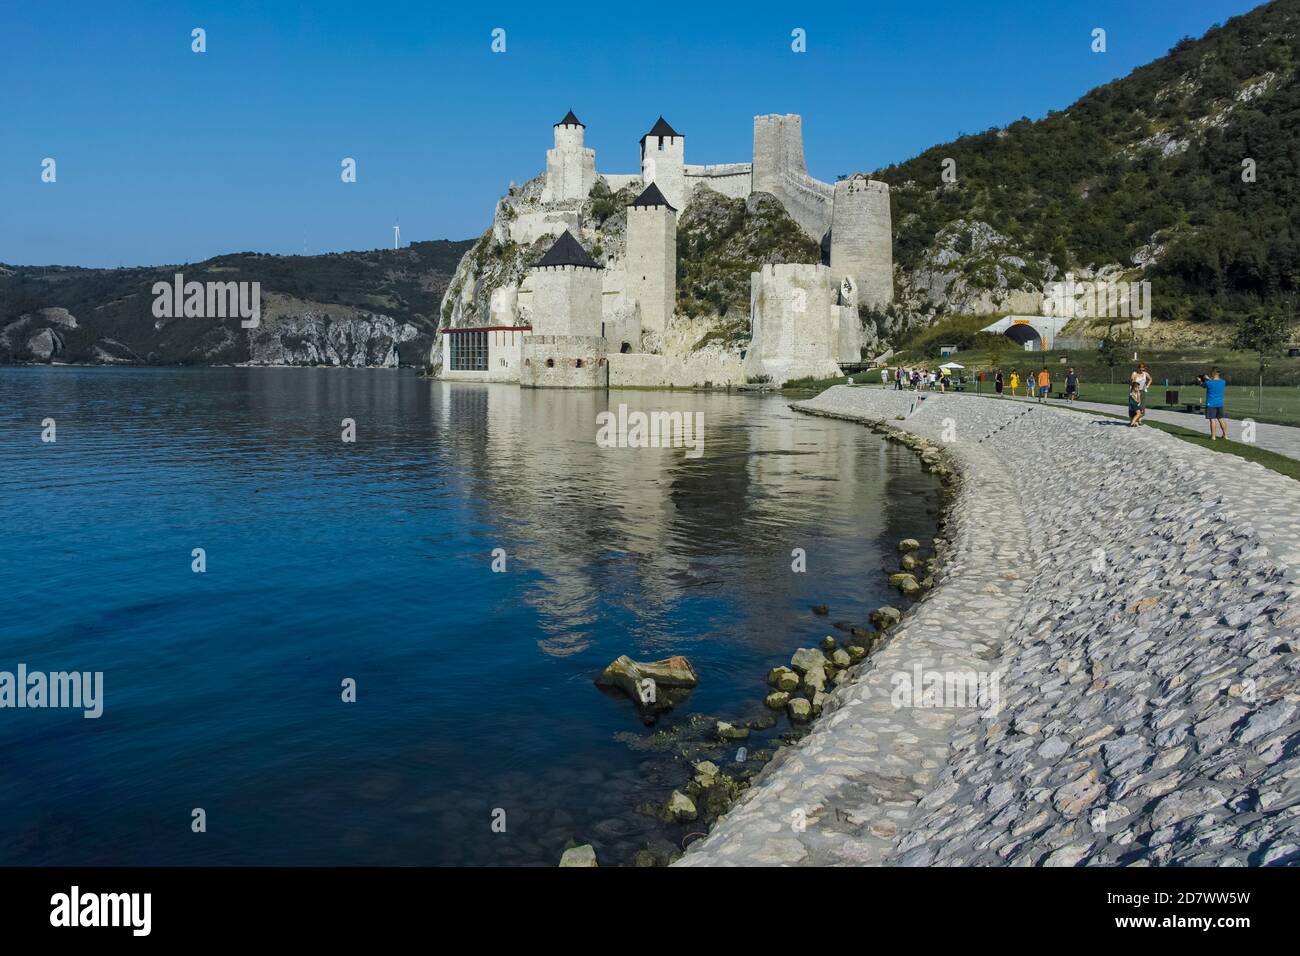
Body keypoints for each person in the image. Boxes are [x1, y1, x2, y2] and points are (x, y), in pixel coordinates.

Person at [1198, 368, 1228, 439]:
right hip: (1220, 403)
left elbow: (1202, 385)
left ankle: (1213, 436)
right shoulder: (1223, 382)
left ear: (1213, 374)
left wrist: (1199, 380)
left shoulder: (1208, 383)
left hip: (1211, 404)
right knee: (1221, 419)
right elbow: (1215, 382)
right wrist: (1209, 378)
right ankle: (1225, 435)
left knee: (1212, 419)